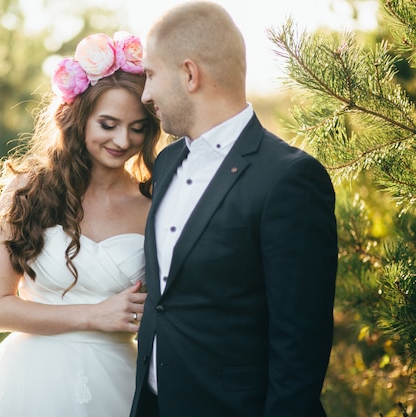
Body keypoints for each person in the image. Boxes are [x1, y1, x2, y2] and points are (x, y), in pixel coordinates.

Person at [0, 32, 162, 417]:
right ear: (80, 117)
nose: (123, 140)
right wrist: (94, 315)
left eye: (138, 127)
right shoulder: (28, 191)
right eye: (108, 124)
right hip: (27, 381)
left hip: (117, 382)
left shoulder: (154, 205)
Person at [129, 2, 338, 417]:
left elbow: (300, 345)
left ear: (190, 74)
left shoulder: (290, 180)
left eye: (150, 75)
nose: (145, 94)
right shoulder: (167, 163)